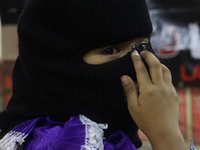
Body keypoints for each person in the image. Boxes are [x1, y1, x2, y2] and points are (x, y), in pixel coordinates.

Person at [0, 0, 187, 149]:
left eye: (142, 47)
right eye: (110, 50)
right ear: (54, 66)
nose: (135, 63)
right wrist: (167, 138)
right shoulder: (66, 142)